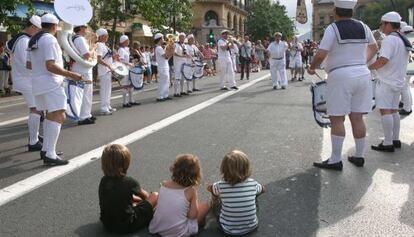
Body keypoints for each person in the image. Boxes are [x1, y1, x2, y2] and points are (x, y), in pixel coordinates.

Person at [308, 0, 378, 170]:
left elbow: (321, 53)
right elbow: (374, 47)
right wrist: (362, 61)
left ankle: (335, 160)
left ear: (335, 11)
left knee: (337, 118)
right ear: (351, 11)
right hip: (362, 74)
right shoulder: (363, 26)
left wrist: (312, 67)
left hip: (340, 76)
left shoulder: (333, 28)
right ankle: (360, 156)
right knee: (358, 117)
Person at [29, 13, 84, 165]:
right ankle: (50, 153)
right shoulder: (49, 39)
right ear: (54, 26)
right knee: (60, 114)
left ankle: (46, 149)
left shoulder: (35, 39)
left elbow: (30, 64)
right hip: (51, 83)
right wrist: (70, 74)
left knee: (51, 115)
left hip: (38, 82)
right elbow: (50, 65)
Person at [369, 12, 411, 152]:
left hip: (387, 81)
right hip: (397, 81)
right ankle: (395, 139)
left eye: (382, 24)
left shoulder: (390, 40)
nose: (381, 27)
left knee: (386, 111)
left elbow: (383, 60)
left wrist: (368, 67)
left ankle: (387, 143)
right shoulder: (402, 39)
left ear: (388, 24)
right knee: (394, 111)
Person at [99, 144, 158, 234]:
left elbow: (116, 197)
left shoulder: (103, 181)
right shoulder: (129, 182)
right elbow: (147, 197)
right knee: (155, 195)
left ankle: (135, 207)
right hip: (127, 225)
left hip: (107, 224)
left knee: (133, 200)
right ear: (125, 163)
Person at [149, 154, 210, 237]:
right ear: (196, 175)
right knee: (206, 205)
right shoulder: (191, 191)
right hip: (178, 233)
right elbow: (192, 216)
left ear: (174, 169)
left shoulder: (164, 184)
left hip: (157, 228)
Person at [207, 150, 265, 236]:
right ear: (247, 169)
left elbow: (210, 189)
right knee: (256, 194)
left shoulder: (220, 185)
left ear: (224, 169)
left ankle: (220, 216)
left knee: (216, 198)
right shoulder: (253, 183)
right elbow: (263, 189)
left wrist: (213, 190)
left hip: (228, 229)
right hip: (252, 226)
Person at [6, 15, 42, 151]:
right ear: (32, 27)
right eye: (38, 30)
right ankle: (33, 141)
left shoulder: (24, 39)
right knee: (36, 109)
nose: (39, 33)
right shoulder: (23, 41)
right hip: (26, 79)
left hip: (27, 79)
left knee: (36, 109)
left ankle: (35, 136)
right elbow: (27, 64)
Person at [72, 24, 97, 125]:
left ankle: (87, 114)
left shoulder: (79, 39)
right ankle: (83, 117)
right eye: (86, 27)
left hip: (83, 68)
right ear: (81, 28)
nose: (87, 29)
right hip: (83, 69)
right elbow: (86, 55)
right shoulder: (80, 39)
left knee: (87, 93)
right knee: (85, 93)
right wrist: (94, 48)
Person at [96, 28, 116, 115]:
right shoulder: (99, 45)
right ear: (101, 36)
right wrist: (108, 66)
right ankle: (103, 108)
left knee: (108, 90)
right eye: (106, 35)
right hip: (104, 71)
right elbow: (98, 59)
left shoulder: (104, 45)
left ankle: (107, 105)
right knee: (104, 90)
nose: (107, 36)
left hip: (108, 71)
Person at [154, 33, 174, 101]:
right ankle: (160, 96)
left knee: (167, 81)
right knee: (163, 82)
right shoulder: (158, 48)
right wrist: (171, 50)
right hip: (162, 67)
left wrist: (171, 51)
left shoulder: (161, 47)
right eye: (162, 38)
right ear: (159, 39)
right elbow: (166, 55)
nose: (163, 40)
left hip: (165, 66)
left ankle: (165, 95)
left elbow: (166, 58)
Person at [399, 24, 413, 116]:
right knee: (406, 87)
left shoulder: (406, 40)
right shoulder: (411, 39)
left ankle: (407, 108)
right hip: (411, 66)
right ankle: (405, 102)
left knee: (405, 88)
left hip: (407, 66)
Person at [173, 32, 188, 97]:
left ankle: (182, 91)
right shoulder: (176, 44)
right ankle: (176, 92)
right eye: (181, 37)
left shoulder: (184, 45)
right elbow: (174, 53)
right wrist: (181, 56)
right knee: (177, 78)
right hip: (177, 63)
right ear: (179, 38)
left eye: (183, 37)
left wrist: (190, 57)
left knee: (183, 78)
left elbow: (185, 53)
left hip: (183, 63)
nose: (182, 38)